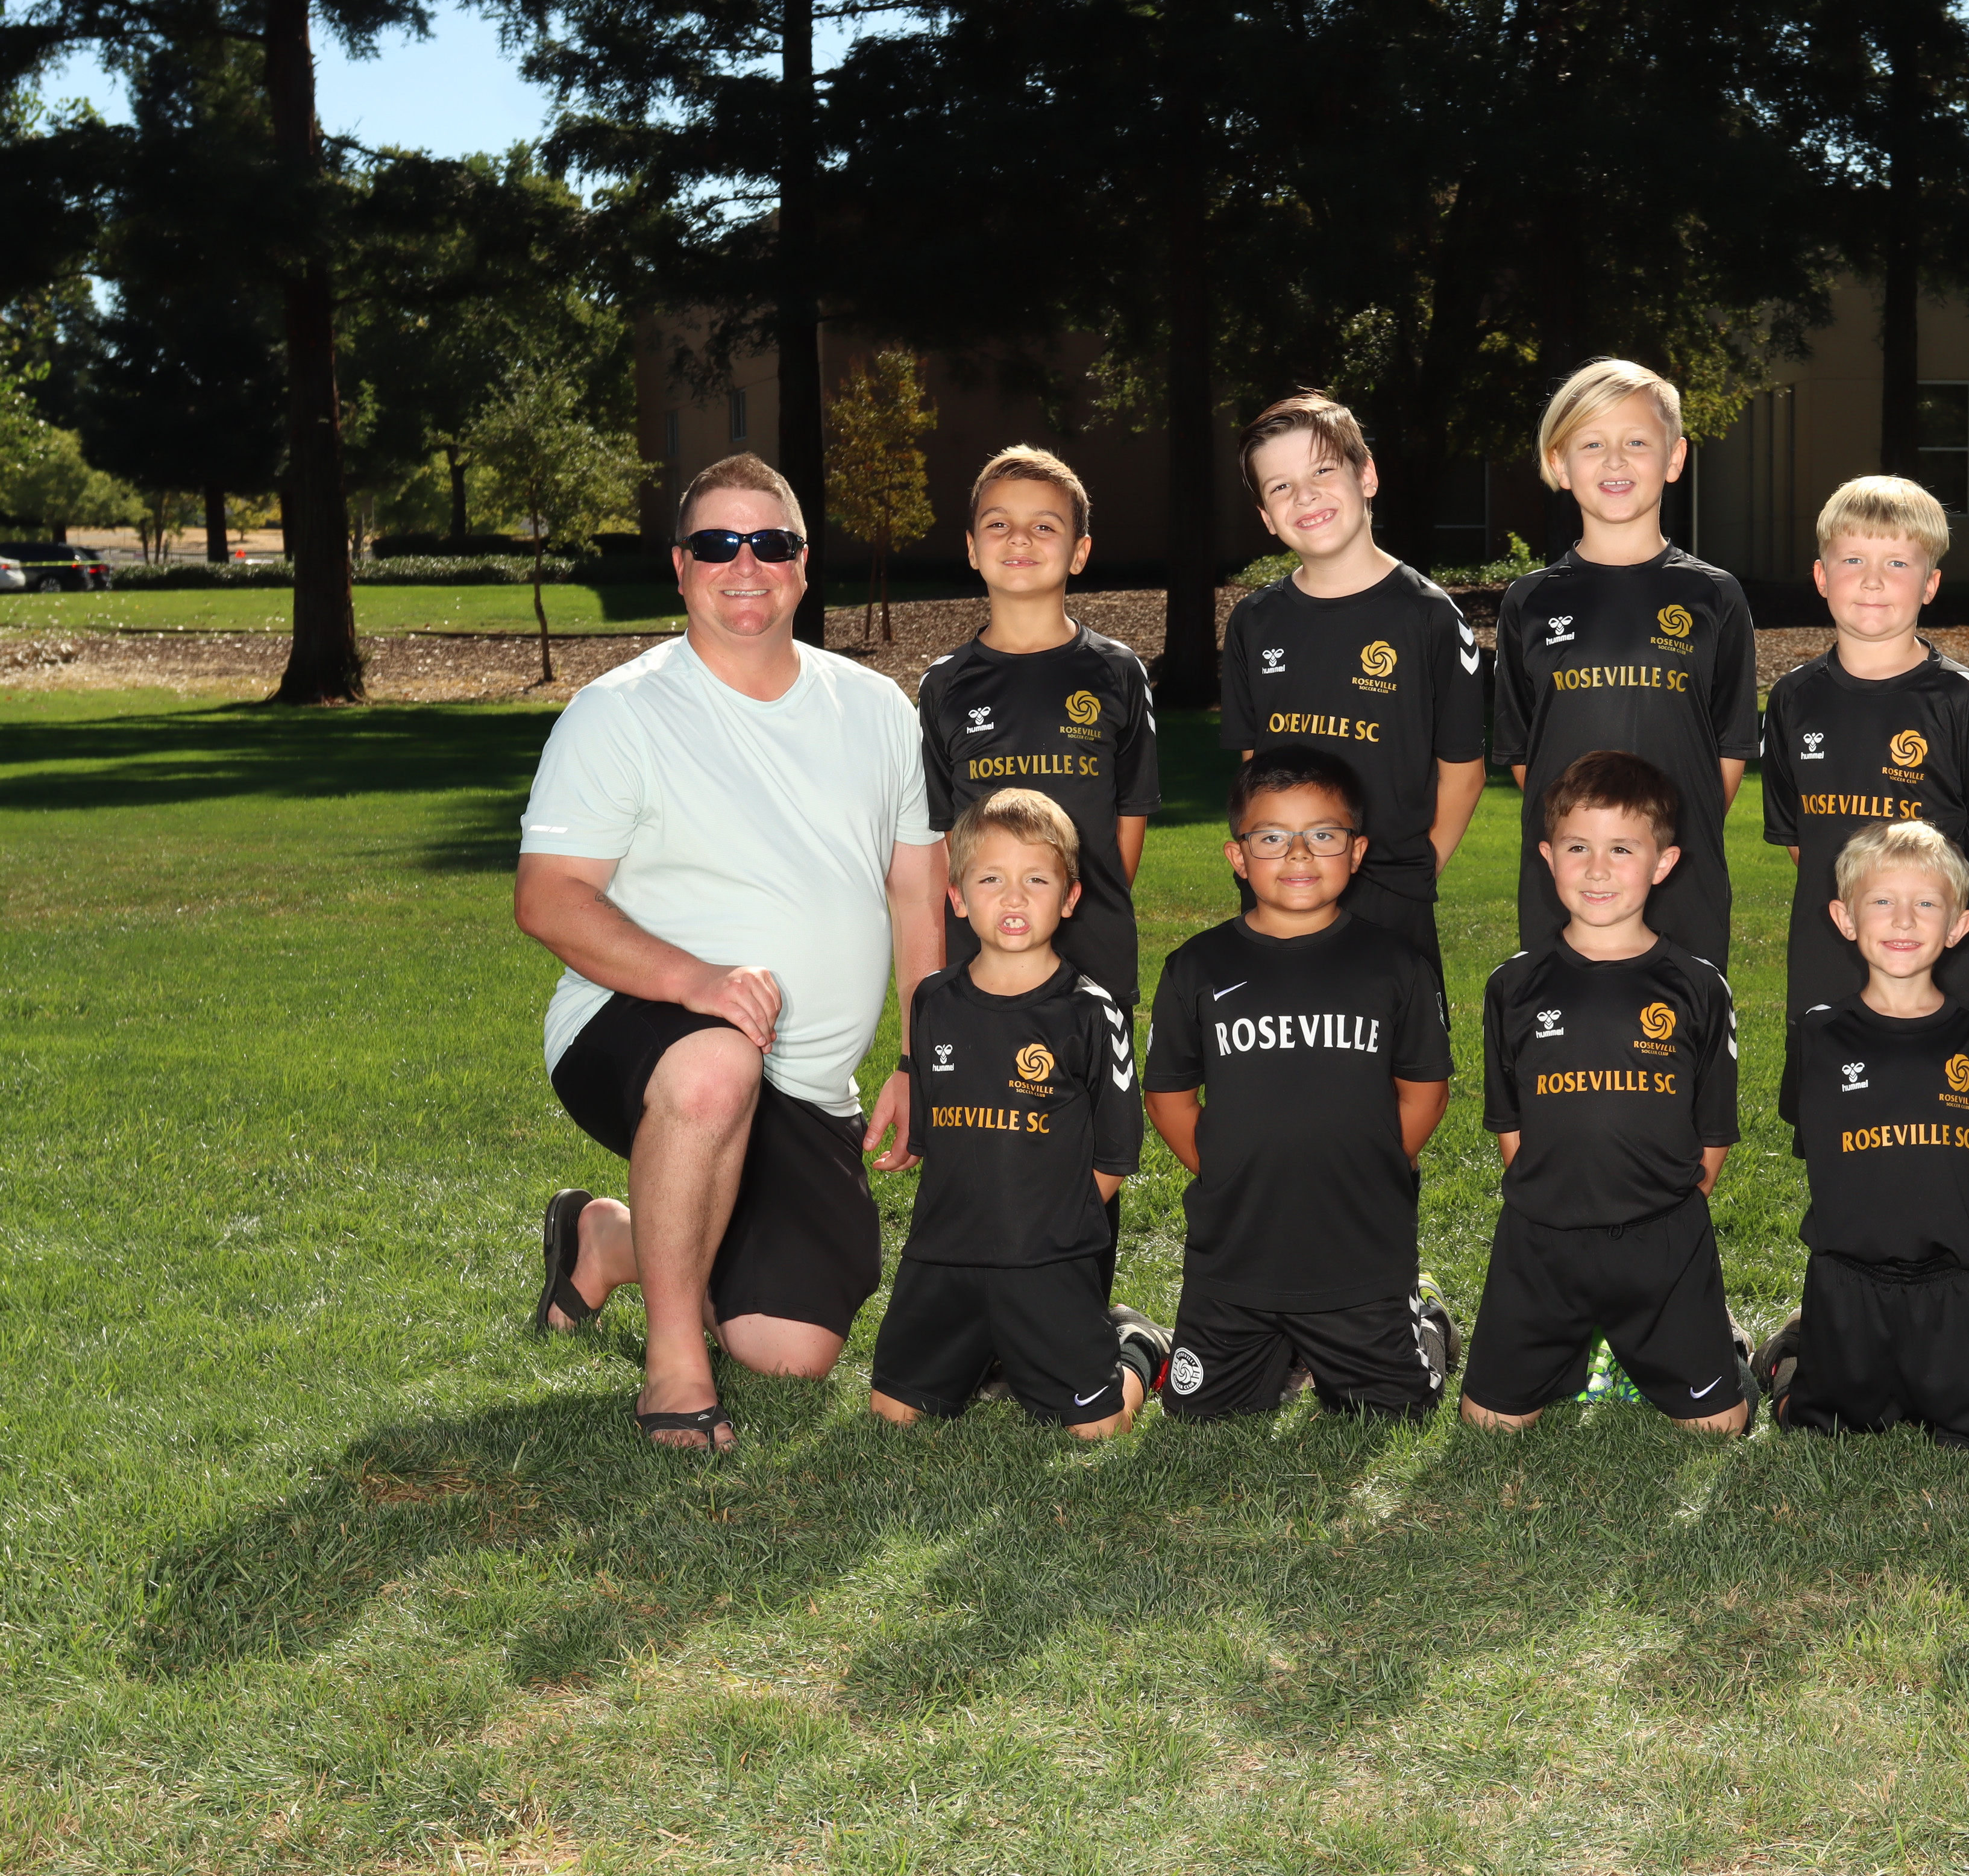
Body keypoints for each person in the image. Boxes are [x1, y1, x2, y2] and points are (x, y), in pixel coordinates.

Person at [519, 454, 945, 1451]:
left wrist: (921, 1055)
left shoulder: (879, 709)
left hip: (809, 1090)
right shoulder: (620, 711)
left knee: (790, 1352)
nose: (744, 564)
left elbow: (917, 895)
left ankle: (608, 1238)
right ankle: (674, 1369)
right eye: (717, 543)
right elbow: (548, 900)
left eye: (770, 542)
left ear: (803, 564)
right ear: (680, 566)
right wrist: (697, 982)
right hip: (641, 1028)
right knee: (716, 1064)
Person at [1142, 746, 1461, 1420]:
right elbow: (1168, 1098)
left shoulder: (1395, 966)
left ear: (1357, 851)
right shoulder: (1196, 968)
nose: (1298, 855)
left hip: (1358, 1259)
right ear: (1238, 856)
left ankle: (1424, 1317)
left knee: (1392, 1411)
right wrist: (1228, 1167)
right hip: (1236, 1262)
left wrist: (1369, 1163)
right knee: (1199, 1414)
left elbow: (1425, 1093)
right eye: (1271, 838)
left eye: (1323, 835)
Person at [1463, 750, 1751, 1434]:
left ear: (1663, 862)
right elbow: (1511, 1123)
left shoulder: (1697, 986)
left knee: (1718, 1428)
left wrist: (1663, 1213)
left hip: (1663, 1241)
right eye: (1577, 848)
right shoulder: (1513, 985)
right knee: (1490, 1425)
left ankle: (1713, 1346)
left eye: (1622, 849)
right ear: (1547, 856)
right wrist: (1557, 1203)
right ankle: (1581, 1347)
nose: (1597, 869)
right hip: (1542, 1242)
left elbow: (1712, 1131)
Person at [867, 789, 1164, 1438]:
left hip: (1046, 1262)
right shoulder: (933, 1002)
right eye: (991, 879)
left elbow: (1115, 1155)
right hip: (944, 1257)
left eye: (1036, 879)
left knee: (1096, 1430)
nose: (1013, 898)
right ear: (957, 897)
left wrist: (1049, 1231)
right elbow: (940, 1138)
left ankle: (1138, 1344)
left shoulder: (1091, 1012)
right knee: (894, 1415)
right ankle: (983, 1349)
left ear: (1070, 897)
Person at [1753, 820, 1969, 1443]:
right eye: (1882, 901)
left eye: (1926, 903)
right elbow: (1821, 1151)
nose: (1903, 920)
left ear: (1959, 926)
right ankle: (1790, 1358)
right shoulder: (1819, 1033)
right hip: (1851, 1283)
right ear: (1844, 918)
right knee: (1816, 1431)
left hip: (1955, 1284)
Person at [1492, 359, 1760, 966]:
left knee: (1681, 1022)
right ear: (1560, 463)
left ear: (1674, 458)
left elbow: (1729, 749)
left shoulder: (1715, 596)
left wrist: (1659, 843)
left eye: (1636, 442)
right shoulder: (1529, 601)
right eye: (1592, 444)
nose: (1615, 461)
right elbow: (1525, 755)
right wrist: (1585, 843)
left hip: (1680, 874)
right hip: (1569, 882)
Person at [1220, 391, 1489, 977]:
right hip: (1281, 891)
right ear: (1266, 517)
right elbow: (1253, 768)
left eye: (1322, 471)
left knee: (1399, 1037)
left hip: (1390, 896)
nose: (1305, 496)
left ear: (1366, 474)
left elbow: (1464, 772)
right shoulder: (1254, 621)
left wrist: (1416, 873)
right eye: (1281, 486)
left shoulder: (1429, 617)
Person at [916, 446, 1162, 1011]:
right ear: (972, 548)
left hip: (1094, 956)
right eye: (998, 524)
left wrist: (1077, 907)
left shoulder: (1118, 672)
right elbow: (949, 832)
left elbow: (1129, 821)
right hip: (984, 961)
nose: (1020, 539)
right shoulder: (944, 685)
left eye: (1044, 526)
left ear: (1080, 553)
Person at [1760, 474, 1969, 1024]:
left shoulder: (1962, 698)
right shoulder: (1793, 698)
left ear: (1930, 584)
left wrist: (1928, 920)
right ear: (1822, 577)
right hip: (1829, 955)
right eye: (1853, 561)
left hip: (1932, 964)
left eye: (1897, 563)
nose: (1872, 580)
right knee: (1825, 1077)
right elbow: (1800, 841)